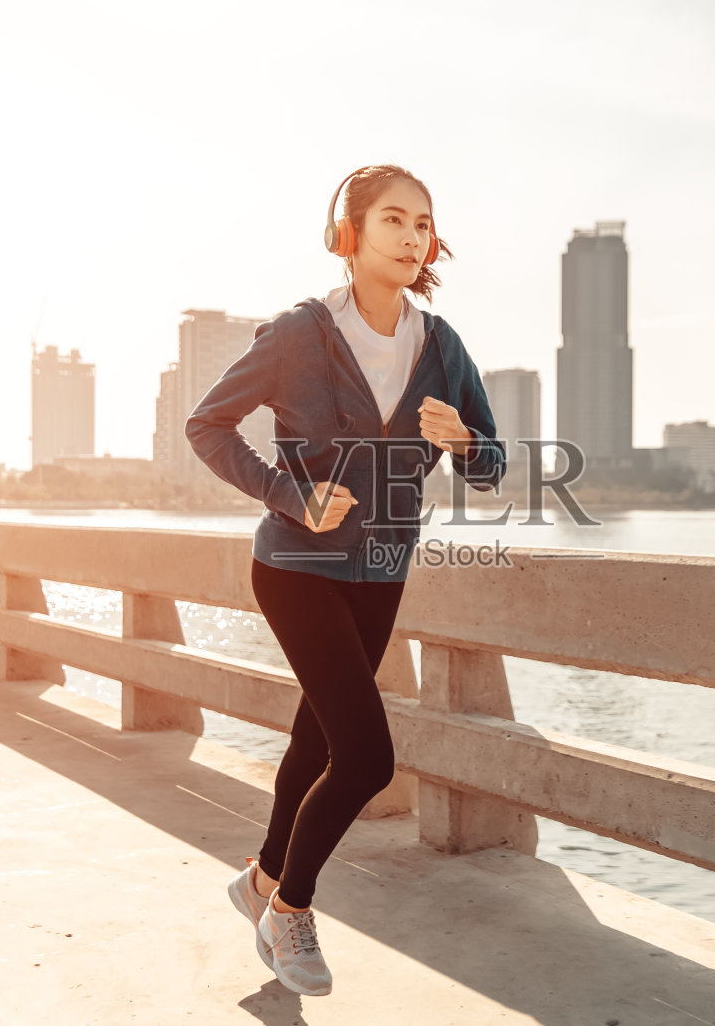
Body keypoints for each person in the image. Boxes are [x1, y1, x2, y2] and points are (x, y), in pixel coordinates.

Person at [184, 164, 506, 996]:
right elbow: (208, 424)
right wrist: (289, 493)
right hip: (295, 566)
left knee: (318, 739)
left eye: (423, 223)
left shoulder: (442, 346)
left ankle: (256, 879)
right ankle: (289, 908)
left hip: (381, 570)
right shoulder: (300, 333)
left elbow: (493, 465)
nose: (411, 236)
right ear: (350, 234)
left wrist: (464, 439)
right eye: (393, 219)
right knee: (365, 757)